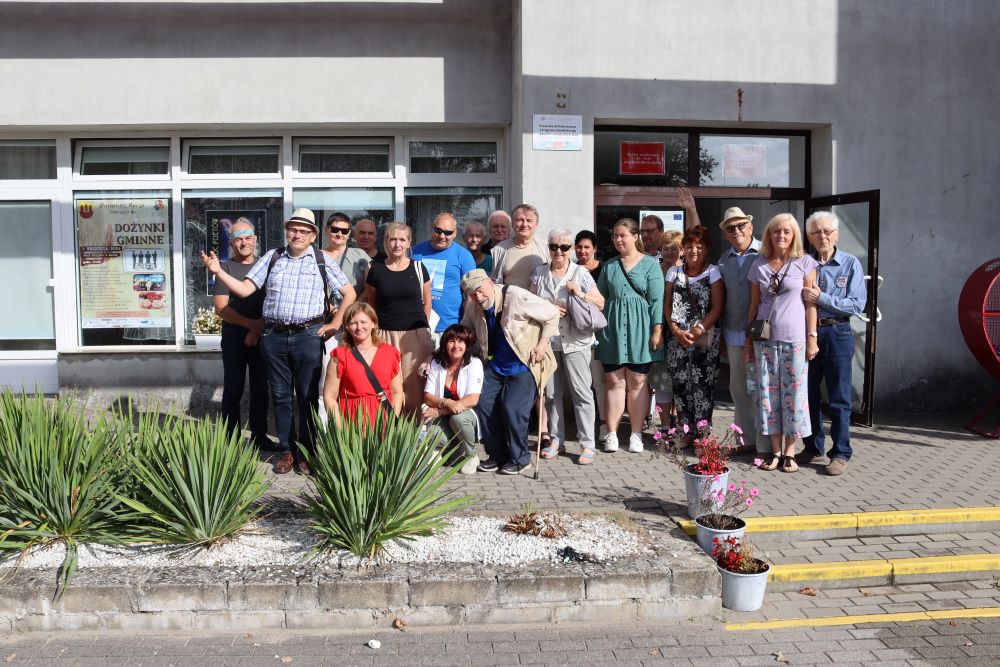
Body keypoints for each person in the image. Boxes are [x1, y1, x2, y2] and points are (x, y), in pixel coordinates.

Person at [201, 208, 355, 476]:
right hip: (274, 337)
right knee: (281, 396)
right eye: (293, 229)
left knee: (307, 396)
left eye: (304, 231)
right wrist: (218, 271)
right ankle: (287, 451)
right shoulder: (273, 257)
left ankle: (307, 452)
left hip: (308, 335)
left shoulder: (321, 260)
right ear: (287, 232)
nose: (297, 235)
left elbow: (349, 293)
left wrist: (335, 323)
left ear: (312, 236)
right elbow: (245, 289)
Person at [460, 269, 559, 475]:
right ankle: (497, 455)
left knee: (513, 408)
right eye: (472, 294)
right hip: (495, 364)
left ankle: (520, 458)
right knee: (483, 404)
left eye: (480, 290)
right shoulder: (474, 307)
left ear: (490, 282)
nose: (478, 297)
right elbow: (464, 328)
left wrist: (542, 345)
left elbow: (552, 314)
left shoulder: (515, 296)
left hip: (525, 363)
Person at [746, 213, 819, 473]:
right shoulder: (759, 264)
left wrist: (812, 338)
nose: (781, 235)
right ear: (769, 235)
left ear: (794, 235)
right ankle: (775, 450)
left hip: (795, 339)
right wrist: (748, 343)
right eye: (776, 231)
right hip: (765, 340)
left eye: (787, 231)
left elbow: (811, 305)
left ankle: (790, 451)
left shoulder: (805, 263)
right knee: (768, 395)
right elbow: (754, 305)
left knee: (794, 396)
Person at [797, 211, 867, 476]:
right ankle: (812, 447)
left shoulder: (850, 264)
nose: (822, 236)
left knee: (839, 397)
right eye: (816, 232)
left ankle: (840, 453)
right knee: (809, 395)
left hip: (838, 332)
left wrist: (821, 298)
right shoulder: (803, 263)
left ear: (836, 234)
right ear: (810, 237)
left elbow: (857, 304)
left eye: (827, 231)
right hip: (808, 333)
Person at [531, 229, 605, 465]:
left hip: (576, 341)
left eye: (564, 247)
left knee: (581, 393)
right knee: (552, 394)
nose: (559, 252)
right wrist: (548, 308)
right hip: (549, 342)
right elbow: (529, 304)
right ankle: (556, 440)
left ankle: (587, 444)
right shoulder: (539, 273)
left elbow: (600, 302)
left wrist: (580, 293)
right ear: (548, 248)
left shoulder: (580, 273)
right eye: (554, 247)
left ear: (571, 249)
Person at [595, 218, 664, 454]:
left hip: (640, 328)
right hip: (612, 329)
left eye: (622, 235)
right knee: (614, 382)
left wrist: (657, 329)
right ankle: (612, 434)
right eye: (615, 235)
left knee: (637, 382)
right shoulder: (610, 266)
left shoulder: (650, 265)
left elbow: (657, 300)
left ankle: (636, 435)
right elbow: (600, 298)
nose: (618, 239)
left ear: (635, 237)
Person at [362, 222, 434, 414]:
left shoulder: (418, 267)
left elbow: (427, 304)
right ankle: (389, 428)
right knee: (387, 388)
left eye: (402, 239)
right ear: (386, 241)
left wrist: (423, 329)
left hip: (415, 336)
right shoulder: (376, 269)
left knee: (415, 389)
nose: (397, 244)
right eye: (393, 239)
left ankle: (414, 430)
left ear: (409, 242)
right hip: (385, 335)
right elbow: (372, 305)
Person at [212, 219, 270, 451]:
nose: (244, 243)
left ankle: (260, 437)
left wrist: (258, 328)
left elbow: (275, 302)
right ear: (231, 243)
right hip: (234, 336)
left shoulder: (266, 266)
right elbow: (221, 308)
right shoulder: (224, 269)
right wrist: (250, 325)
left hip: (264, 334)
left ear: (255, 239)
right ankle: (231, 441)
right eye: (238, 239)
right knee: (233, 388)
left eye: (248, 238)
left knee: (261, 389)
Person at [717, 207, 771, 454]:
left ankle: (765, 444)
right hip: (733, 332)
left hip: (763, 332)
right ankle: (745, 441)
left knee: (762, 388)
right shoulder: (723, 260)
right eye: (731, 228)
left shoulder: (765, 253)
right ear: (726, 234)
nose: (736, 231)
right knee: (739, 390)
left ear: (750, 227)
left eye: (740, 225)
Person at [663, 225, 725, 437]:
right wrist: (675, 331)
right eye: (689, 246)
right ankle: (684, 432)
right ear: (683, 249)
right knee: (680, 386)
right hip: (677, 339)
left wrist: (699, 329)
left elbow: (717, 307)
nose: (694, 251)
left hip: (704, 338)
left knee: (703, 387)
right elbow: (667, 305)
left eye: (699, 246)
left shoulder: (713, 272)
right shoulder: (673, 272)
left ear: (706, 249)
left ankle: (703, 435)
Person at [323, 302, 403, 426]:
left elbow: (397, 392)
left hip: (383, 422)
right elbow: (329, 396)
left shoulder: (390, 353)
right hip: (351, 424)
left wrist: (391, 422)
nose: (359, 327)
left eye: (364, 322)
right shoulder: (339, 356)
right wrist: (341, 430)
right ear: (347, 327)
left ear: (373, 323)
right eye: (353, 323)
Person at [422, 324, 484, 476]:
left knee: (458, 419)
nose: (456, 346)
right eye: (451, 341)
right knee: (431, 432)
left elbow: (472, 399)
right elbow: (427, 396)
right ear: (444, 344)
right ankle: (454, 450)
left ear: (466, 344)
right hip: (445, 417)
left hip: (466, 415)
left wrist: (440, 410)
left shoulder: (474, 363)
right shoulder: (437, 363)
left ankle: (471, 455)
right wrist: (447, 402)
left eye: (460, 341)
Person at [411, 212, 477, 337]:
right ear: (432, 228)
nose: (442, 236)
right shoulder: (415, 252)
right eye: (438, 230)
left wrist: (465, 326)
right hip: (417, 326)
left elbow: (471, 295)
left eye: (447, 232)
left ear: (455, 233)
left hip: (450, 329)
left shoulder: (463, 256)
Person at [647, 228, 685, 426]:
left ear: (682, 250)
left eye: (674, 248)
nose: (670, 252)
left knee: (680, 378)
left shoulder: (688, 271)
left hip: (682, 333)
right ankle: (664, 426)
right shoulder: (655, 271)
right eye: (666, 248)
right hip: (660, 331)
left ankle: (677, 419)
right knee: (661, 380)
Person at [575, 229, 608, 439]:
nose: (583, 251)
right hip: (577, 331)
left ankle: (604, 423)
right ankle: (584, 427)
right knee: (582, 383)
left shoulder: (604, 269)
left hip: (599, 330)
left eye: (587, 247)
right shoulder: (572, 269)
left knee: (599, 380)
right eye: (579, 247)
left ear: (595, 248)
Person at [489, 204, 549, 289]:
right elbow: (494, 281)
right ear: (512, 224)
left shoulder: (546, 249)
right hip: (507, 297)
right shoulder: (498, 250)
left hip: (536, 298)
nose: (524, 224)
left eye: (529, 220)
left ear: (536, 225)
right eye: (520, 220)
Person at [322, 212, 371, 299]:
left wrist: (354, 306)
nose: (339, 234)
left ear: (349, 234)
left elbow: (369, 289)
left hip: (354, 307)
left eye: (344, 231)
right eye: (334, 229)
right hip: (322, 307)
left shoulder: (360, 255)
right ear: (326, 229)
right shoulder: (316, 256)